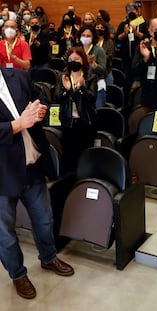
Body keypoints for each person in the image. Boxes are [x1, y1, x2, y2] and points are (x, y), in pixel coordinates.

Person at [0, 66, 74, 300]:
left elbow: (39, 96)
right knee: (5, 234)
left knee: (44, 219)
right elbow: (19, 123)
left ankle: (49, 257)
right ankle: (18, 274)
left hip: (32, 166)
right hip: (2, 175)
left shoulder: (18, 75)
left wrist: (40, 109)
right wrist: (18, 124)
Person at [56, 46, 97, 171]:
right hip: (68, 122)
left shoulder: (91, 77)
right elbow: (57, 98)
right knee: (69, 156)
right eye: (71, 59)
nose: (73, 61)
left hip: (85, 122)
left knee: (85, 155)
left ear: (83, 61)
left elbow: (92, 98)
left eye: (77, 59)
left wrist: (81, 89)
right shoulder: (63, 77)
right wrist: (67, 90)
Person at [116, 2, 149, 86]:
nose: (131, 12)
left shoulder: (143, 22)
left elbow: (146, 37)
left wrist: (135, 32)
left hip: (140, 56)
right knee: (128, 80)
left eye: (133, 10)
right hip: (126, 57)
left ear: (137, 11)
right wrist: (124, 33)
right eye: (128, 10)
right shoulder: (124, 23)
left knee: (140, 79)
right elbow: (117, 38)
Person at [77, 24, 107, 108]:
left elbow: (103, 70)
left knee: (97, 111)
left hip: (96, 85)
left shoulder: (99, 50)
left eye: (88, 36)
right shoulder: (77, 50)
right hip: (80, 85)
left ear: (93, 37)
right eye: (83, 35)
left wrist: (92, 63)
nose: (85, 37)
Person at [95, 19, 116, 85]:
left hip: (106, 71)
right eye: (97, 27)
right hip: (94, 72)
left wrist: (98, 57)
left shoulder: (109, 42)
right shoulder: (92, 41)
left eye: (102, 28)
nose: (99, 29)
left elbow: (110, 55)